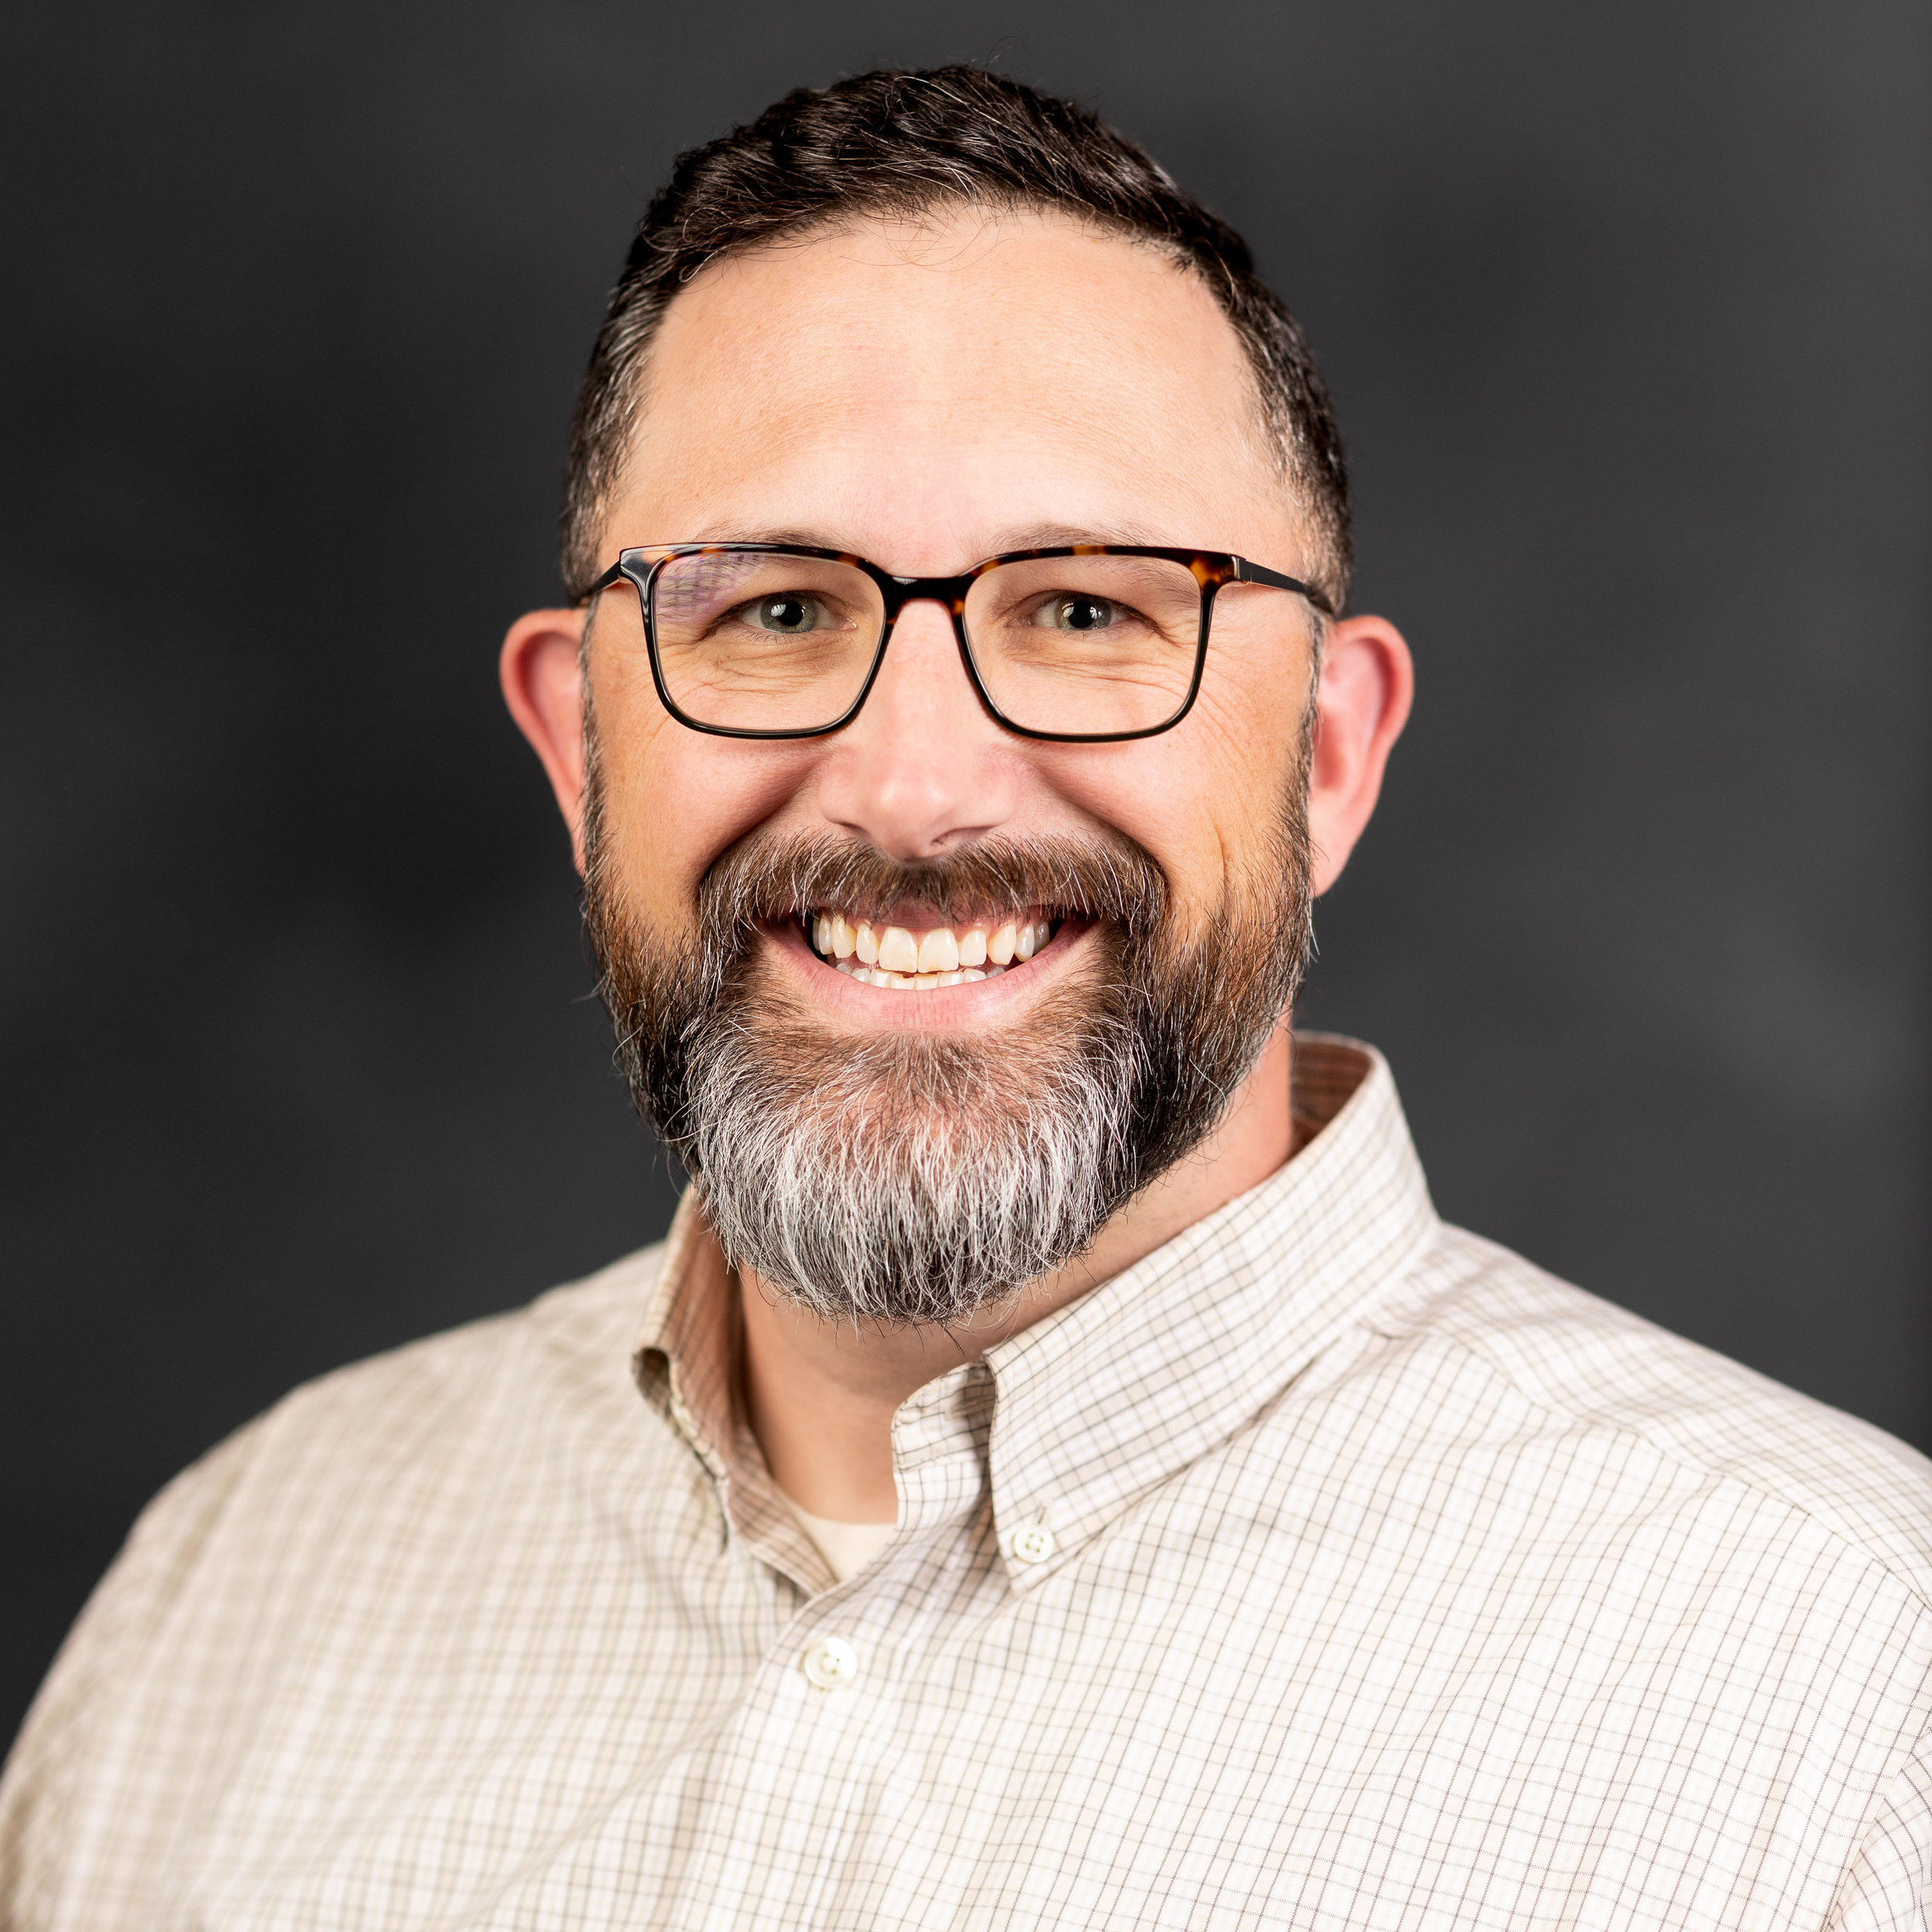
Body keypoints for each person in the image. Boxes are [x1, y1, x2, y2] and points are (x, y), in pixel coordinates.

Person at [3, 64, 1929, 1932]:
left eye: (1087, 608)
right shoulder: (230, 1598)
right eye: (770, 609)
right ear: (581, 752)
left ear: (1325, 759)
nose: (914, 784)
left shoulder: (1848, 1695)